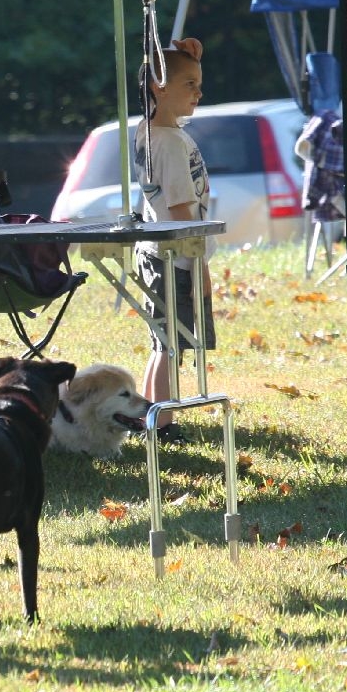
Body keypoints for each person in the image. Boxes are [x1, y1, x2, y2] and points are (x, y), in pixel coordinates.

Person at [136, 38, 214, 443]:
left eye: (199, 84)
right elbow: (182, 211)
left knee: (164, 344)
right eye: (189, 84)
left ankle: (150, 416)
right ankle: (162, 426)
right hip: (176, 257)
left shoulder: (157, 132)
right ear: (159, 87)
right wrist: (199, 265)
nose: (199, 93)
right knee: (171, 346)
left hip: (161, 253)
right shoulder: (165, 142)